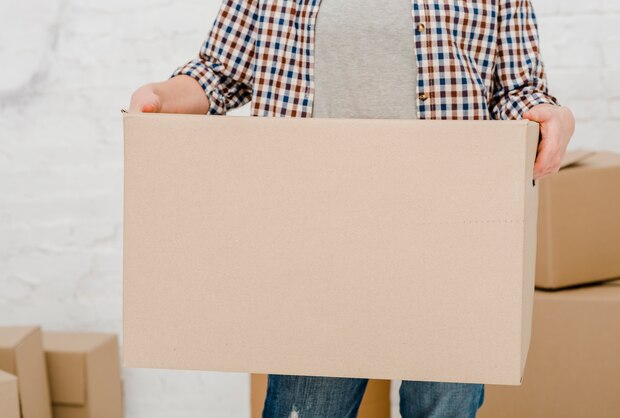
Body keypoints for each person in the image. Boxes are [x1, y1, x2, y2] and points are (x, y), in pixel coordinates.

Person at [130, 1, 575, 416]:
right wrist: (162, 97)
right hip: (314, 243)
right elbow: (217, 74)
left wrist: (549, 113)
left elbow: (516, 89)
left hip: (448, 242)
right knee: (309, 406)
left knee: (444, 406)